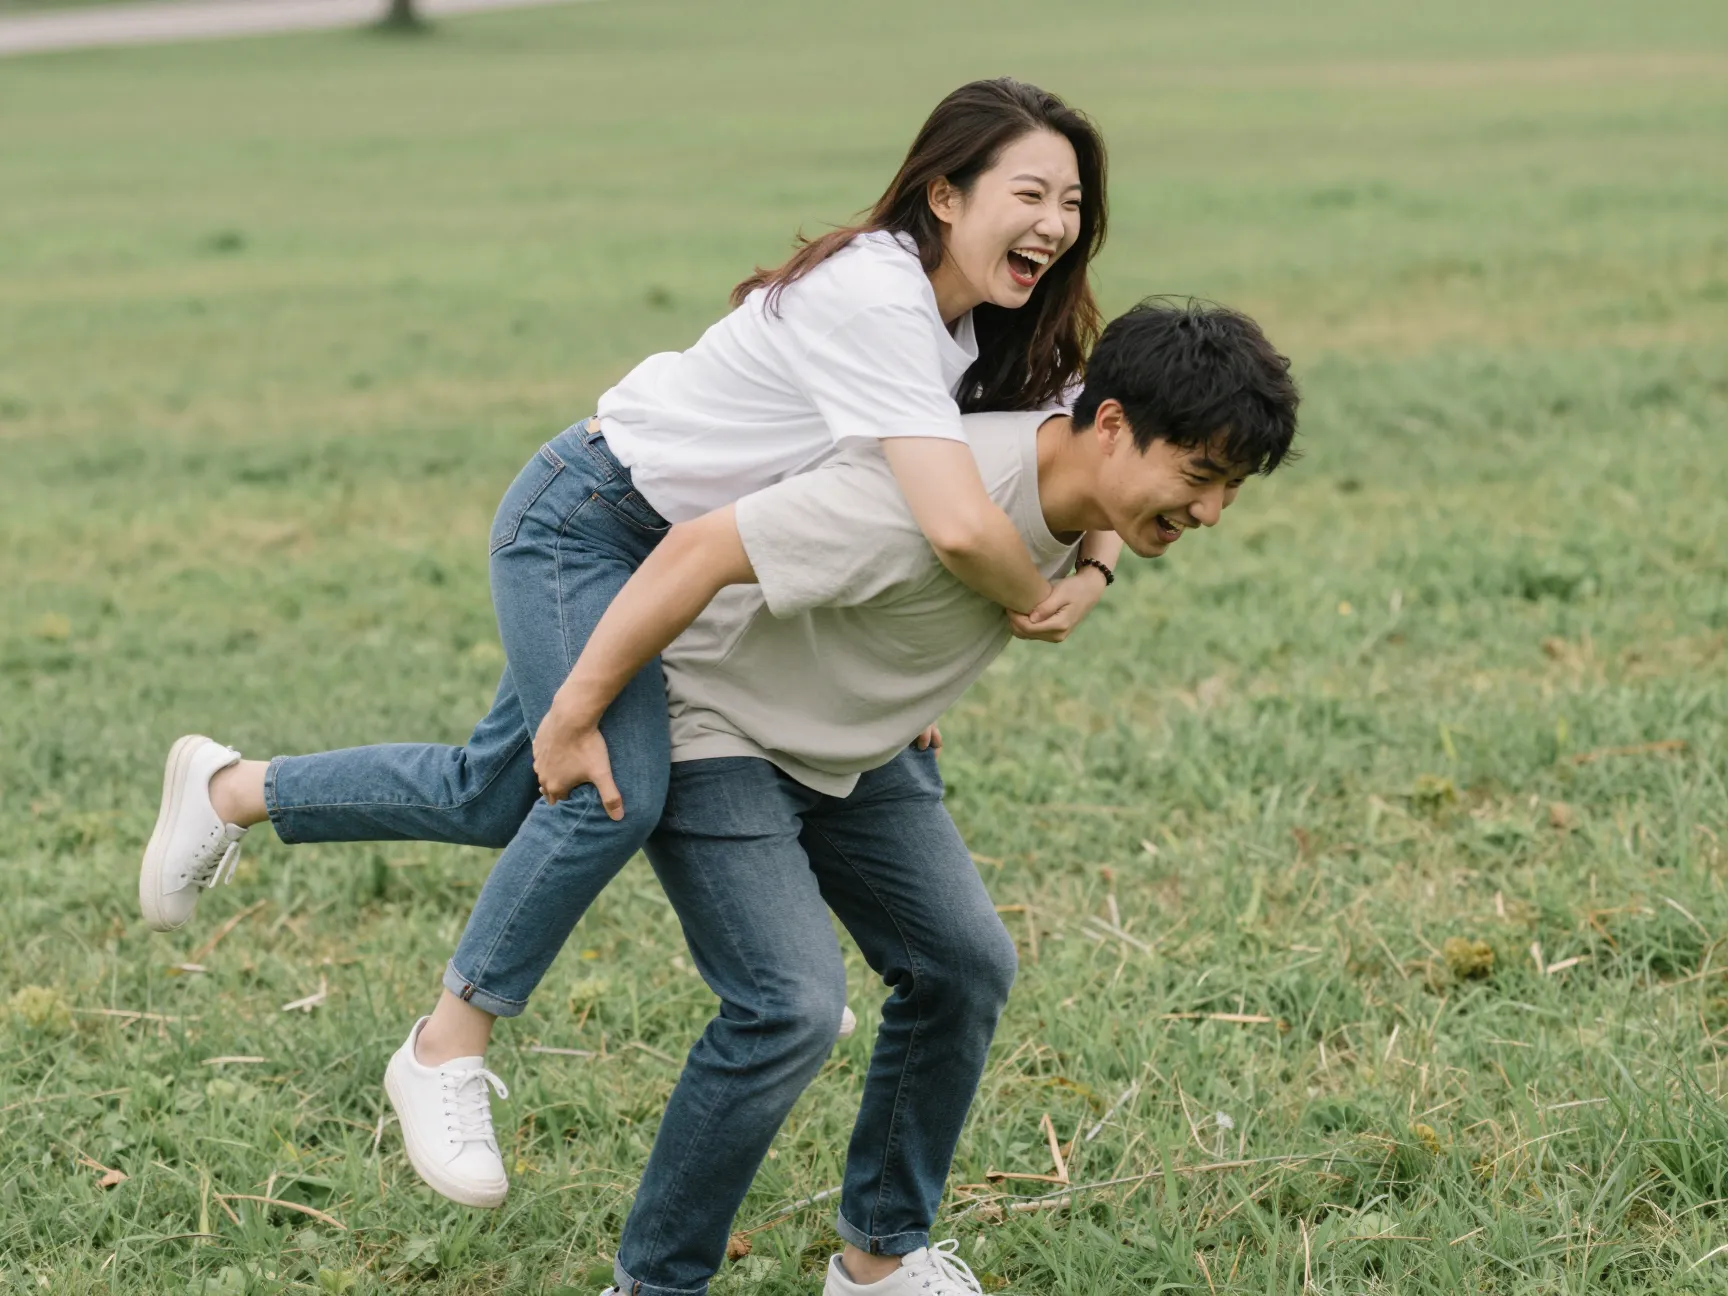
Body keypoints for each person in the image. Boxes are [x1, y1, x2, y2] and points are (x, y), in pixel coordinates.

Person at [135, 77, 1117, 1208]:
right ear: (944, 195)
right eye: (1029, 192)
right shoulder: (877, 297)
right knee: (611, 783)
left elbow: (1100, 437)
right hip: (592, 523)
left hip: (699, 569)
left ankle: (231, 789)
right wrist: (1029, 603)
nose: (1054, 222)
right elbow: (952, 522)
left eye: (1073, 202)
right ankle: (445, 1047)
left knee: (494, 791)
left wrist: (1089, 562)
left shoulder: (981, 326)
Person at [528, 300, 1301, 1296]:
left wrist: (1104, 561)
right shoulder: (936, 489)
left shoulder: (1092, 479)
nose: (1209, 514)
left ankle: (879, 1259)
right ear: (1106, 425)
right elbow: (695, 553)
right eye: (1199, 479)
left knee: (963, 963)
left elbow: (1096, 458)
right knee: (792, 1008)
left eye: (1230, 489)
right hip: (723, 719)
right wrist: (578, 711)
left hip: (857, 737)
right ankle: (654, 1286)